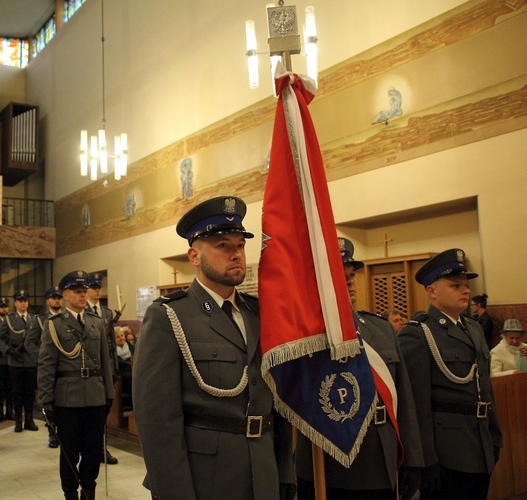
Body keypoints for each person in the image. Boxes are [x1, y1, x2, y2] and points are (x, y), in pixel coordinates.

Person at [133, 196, 293, 499]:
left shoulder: (259, 313)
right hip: (208, 478)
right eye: (223, 245)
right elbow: (157, 422)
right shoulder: (170, 315)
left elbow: (275, 404)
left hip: (264, 471)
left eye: (240, 245)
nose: (236, 254)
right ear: (194, 256)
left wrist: (284, 474)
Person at [296, 238, 423, 500]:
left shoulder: (380, 329)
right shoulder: (305, 336)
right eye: (340, 275)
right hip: (334, 465)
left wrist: (413, 458)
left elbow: (405, 402)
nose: (350, 281)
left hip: (383, 456)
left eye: (351, 275)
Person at [398, 249, 502, 500]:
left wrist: (495, 436)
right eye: (455, 285)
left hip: (481, 445)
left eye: (466, 285)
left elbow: (484, 388)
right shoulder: (418, 333)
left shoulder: (473, 329)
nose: (465, 291)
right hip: (448, 453)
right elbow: (416, 404)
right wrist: (425, 459)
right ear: (432, 291)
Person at [38, 271, 115, 500]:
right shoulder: (54, 325)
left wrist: (108, 394)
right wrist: (46, 401)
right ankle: (70, 492)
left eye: (84, 292)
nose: (83, 295)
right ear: (65, 295)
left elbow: (105, 362)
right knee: (69, 451)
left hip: (95, 396)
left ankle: (89, 490)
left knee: (92, 449)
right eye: (78, 292)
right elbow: (46, 366)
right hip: (67, 398)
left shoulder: (96, 322)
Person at [85, 273, 119, 464]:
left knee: (105, 408)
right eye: (93, 287)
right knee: (94, 412)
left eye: (99, 287)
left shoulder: (106, 313)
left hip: (108, 368)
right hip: (92, 368)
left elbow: (112, 342)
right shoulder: (84, 311)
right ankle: (96, 448)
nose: (97, 290)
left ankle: (101, 447)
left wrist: (114, 367)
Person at [0, 290, 40, 432]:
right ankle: (18, 420)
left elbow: (40, 338)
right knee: (17, 391)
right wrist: (8, 351)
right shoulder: (9, 319)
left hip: (31, 360)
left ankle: (29, 419)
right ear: (15, 303)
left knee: (30, 392)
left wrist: (37, 351)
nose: (23, 303)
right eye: (20, 301)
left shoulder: (34, 319)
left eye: (25, 300)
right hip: (15, 361)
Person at [29, 286, 63, 448]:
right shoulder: (40, 319)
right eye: (53, 298)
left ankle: (62, 431)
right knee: (48, 401)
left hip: (64, 367)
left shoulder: (67, 317)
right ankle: (52, 433)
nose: (57, 300)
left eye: (59, 297)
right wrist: (44, 357)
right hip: (48, 367)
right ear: (48, 300)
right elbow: (29, 342)